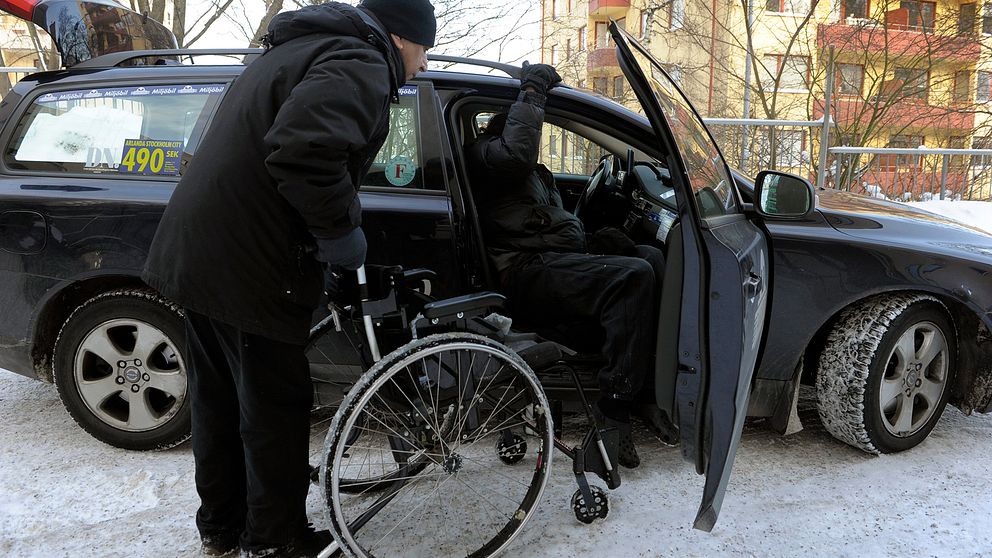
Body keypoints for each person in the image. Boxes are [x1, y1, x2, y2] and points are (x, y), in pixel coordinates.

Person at [140, 1, 436, 556]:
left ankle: (223, 526)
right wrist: (340, 233)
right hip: (250, 263)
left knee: (220, 401)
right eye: (424, 50)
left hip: (201, 251)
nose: (421, 66)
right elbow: (303, 151)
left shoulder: (297, 50)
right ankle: (275, 541)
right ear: (401, 38)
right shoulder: (359, 61)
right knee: (274, 408)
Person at [466, 63, 665, 470]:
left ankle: (640, 387)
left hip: (542, 261)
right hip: (522, 272)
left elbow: (544, 220)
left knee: (644, 259)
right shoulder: (487, 156)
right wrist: (534, 91)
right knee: (633, 275)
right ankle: (614, 414)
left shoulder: (530, 172)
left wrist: (593, 241)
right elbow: (516, 154)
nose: (535, 143)